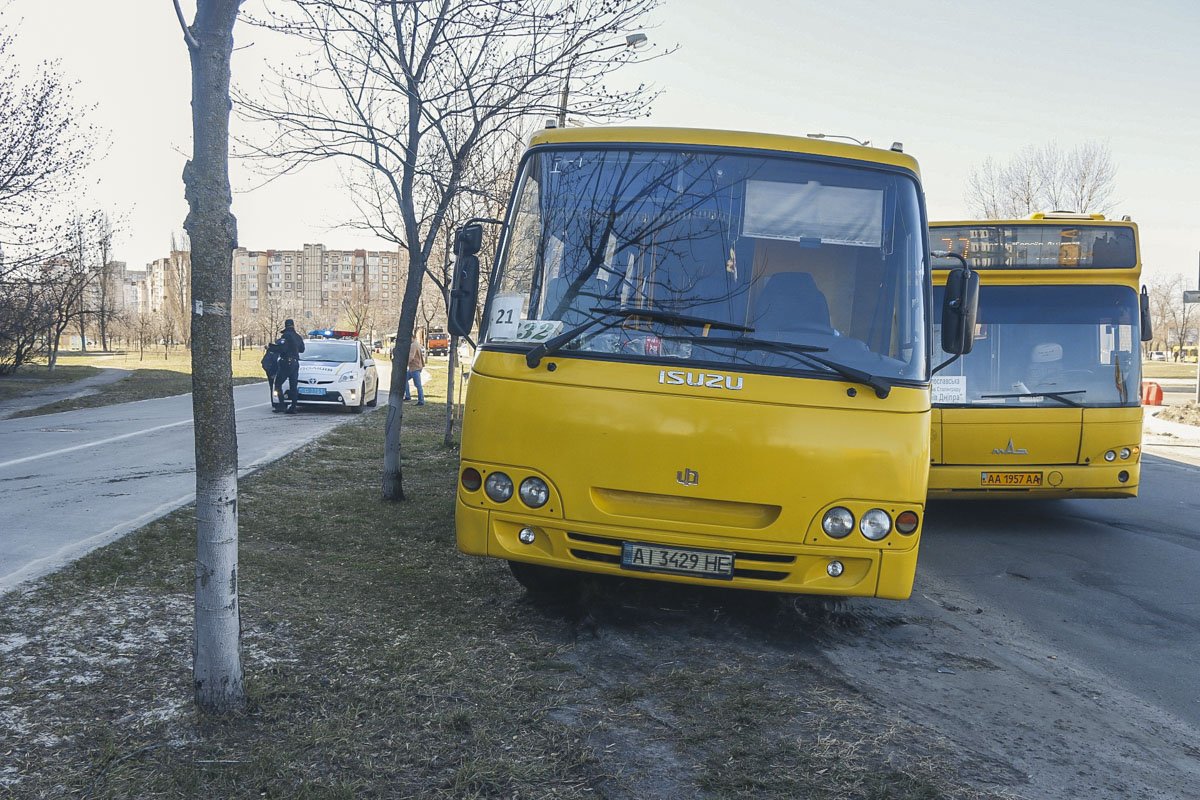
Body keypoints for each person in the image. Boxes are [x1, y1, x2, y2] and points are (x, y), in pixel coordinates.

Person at [273, 319, 306, 413]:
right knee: (293, 385)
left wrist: (272, 348)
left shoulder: (286, 335)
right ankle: (293, 407)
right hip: (295, 363)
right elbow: (302, 349)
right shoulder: (298, 336)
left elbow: (282, 349)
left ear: (285, 325)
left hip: (286, 362)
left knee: (278, 384)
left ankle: (281, 405)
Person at [404, 338, 426, 406]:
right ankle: (407, 396)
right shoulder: (417, 343)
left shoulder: (413, 345)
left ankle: (421, 401)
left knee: (418, 385)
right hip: (414, 367)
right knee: (404, 379)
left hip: (415, 368)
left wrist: (405, 364)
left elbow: (411, 357)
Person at [261, 340, 282, 406]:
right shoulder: (272, 352)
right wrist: (271, 373)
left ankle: (280, 403)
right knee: (274, 388)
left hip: (281, 373)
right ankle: (276, 403)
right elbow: (265, 363)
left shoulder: (284, 352)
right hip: (273, 374)